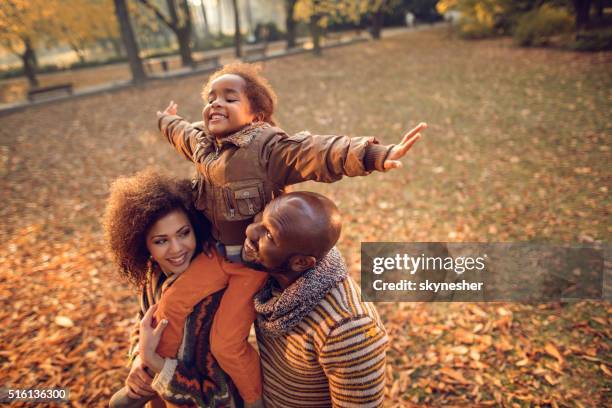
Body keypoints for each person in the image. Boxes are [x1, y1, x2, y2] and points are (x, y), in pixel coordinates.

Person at [151, 63, 424, 403]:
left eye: (230, 98)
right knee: (171, 303)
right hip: (215, 254)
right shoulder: (204, 144)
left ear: (257, 116)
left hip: (250, 267)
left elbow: (317, 152)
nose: (216, 104)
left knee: (225, 341)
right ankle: (153, 375)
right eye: (211, 98)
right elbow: (181, 132)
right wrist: (165, 119)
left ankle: (251, 400)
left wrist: (374, 155)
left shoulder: (267, 149)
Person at [103, 169, 243, 407]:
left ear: (196, 227)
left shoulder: (211, 299)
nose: (176, 249)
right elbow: (143, 321)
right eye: (161, 241)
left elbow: (219, 396)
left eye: (184, 233)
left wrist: (156, 363)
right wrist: (138, 358)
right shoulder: (153, 275)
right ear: (143, 245)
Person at [242, 191, 388, 407]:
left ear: (301, 263)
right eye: (261, 219)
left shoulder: (347, 328)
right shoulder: (271, 280)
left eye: (269, 235)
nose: (250, 231)